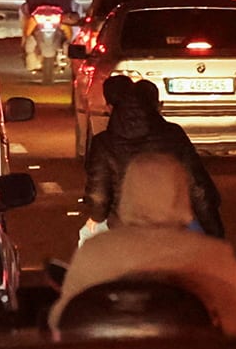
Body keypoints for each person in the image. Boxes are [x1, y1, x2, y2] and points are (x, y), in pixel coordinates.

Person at [52, 153, 236, 337]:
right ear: (181, 194)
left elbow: (60, 320)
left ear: (127, 193)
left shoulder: (95, 251)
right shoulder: (211, 254)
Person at [83, 76, 226, 238]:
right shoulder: (174, 134)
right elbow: (199, 188)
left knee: (87, 236)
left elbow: (98, 196)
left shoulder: (104, 143)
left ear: (110, 107)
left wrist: (96, 218)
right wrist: (215, 233)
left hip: (125, 229)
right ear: (156, 106)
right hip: (174, 225)